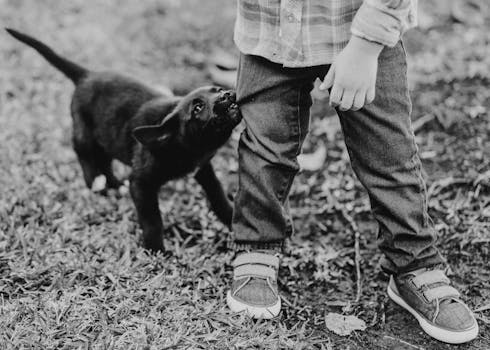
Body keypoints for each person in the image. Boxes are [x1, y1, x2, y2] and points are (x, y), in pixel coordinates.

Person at [225, 0, 479, 344]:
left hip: (361, 34)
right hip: (268, 30)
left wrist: (364, 48)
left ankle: (414, 263)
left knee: (388, 154)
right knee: (264, 148)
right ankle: (257, 243)